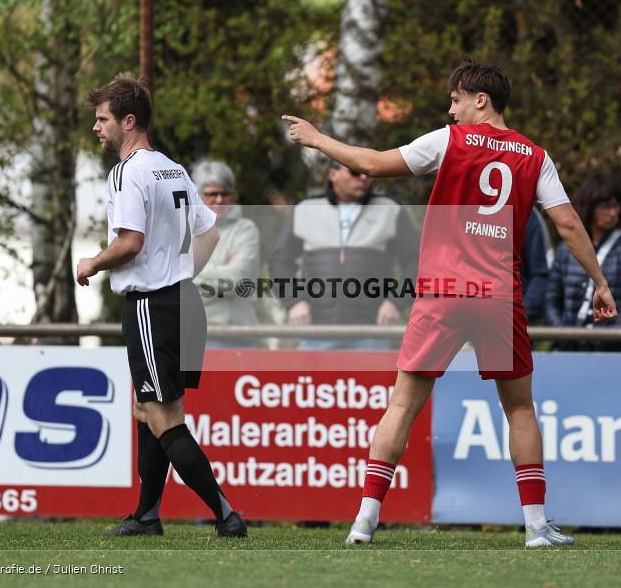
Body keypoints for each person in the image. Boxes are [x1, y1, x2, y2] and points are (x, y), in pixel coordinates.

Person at [283, 61, 617, 547]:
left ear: (480, 99)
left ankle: (364, 522)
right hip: (498, 296)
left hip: (443, 293)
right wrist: (600, 283)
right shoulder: (534, 156)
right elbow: (567, 224)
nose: (451, 107)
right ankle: (536, 527)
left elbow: (372, 164)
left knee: (402, 404)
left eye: (456, 98)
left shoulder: (448, 141)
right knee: (520, 408)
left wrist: (317, 139)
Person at [76, 72, 246, 538]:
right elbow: (209, 232)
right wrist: (184, 274)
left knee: (163, 416)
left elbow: (130, 242)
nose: (97, 127)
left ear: (128, 121)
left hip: (153, 305)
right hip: (182, 301)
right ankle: (147, 515)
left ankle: (226, 513)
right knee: (144, 408)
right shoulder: (172, 167)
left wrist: (92, 261)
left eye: (103, 119)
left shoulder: (128, 172)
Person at [268, 160, 419, 350]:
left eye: (367, 172)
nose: (364, 178)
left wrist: (396, 302)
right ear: (333, 175)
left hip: (372, 334)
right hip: (315, 334)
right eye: (355, 172)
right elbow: (280, 260)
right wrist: (293, 302)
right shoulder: (305, 210)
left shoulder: (390, 210)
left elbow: (416, 261)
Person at [545, 172, 621, 350]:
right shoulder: (565, 249)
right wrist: (563, 334)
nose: (613, 212)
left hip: (616, 352)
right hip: (570, 349)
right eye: (606, 206)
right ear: (590, 208)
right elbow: (551, 300)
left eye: (617, 206)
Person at [191, 160, 262, 348]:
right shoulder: (182, 232)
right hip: (194, 334)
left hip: (241, 337)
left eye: (225, 193)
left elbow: (237, 279)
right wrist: (223, 270)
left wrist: (193, 275)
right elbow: (173, 284)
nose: (220, 200)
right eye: (212, 194)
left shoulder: (246, 229)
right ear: (197, 195)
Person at [520, 208, 554, 323]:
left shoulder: (527, 213)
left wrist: (519, 316)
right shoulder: (464, 205)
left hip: (512, 324)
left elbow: (543, 274)